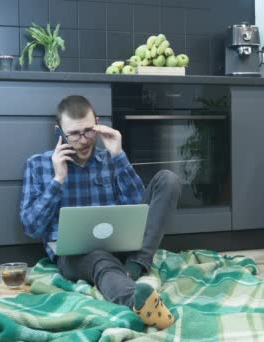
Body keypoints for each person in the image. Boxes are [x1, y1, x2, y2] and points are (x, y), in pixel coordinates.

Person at [20, 95, 181, 329]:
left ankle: (134, 266)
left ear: (97, 123)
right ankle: (139, 301)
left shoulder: (110, 158)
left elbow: (140, 208)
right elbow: (31, 227)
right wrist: (58, 180)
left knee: (169, 180)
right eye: (73, 134)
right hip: (76, 257)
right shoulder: (38, 165)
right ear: (59, 132)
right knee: (97, 257)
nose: (83, 140)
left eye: (88, 131)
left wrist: (119, 156)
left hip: (122, 246)